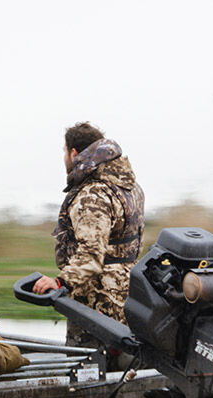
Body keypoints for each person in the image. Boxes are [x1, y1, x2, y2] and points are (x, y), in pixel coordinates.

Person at [31, 122, 146, 347]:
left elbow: (92, 256)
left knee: (86, 373)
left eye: (64, 151)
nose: (64, 157)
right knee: (125, 367)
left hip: (96, 301)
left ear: (73, 153)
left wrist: (59, 281)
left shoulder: (91, 195)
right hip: (131, 296)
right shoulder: (131, 188)